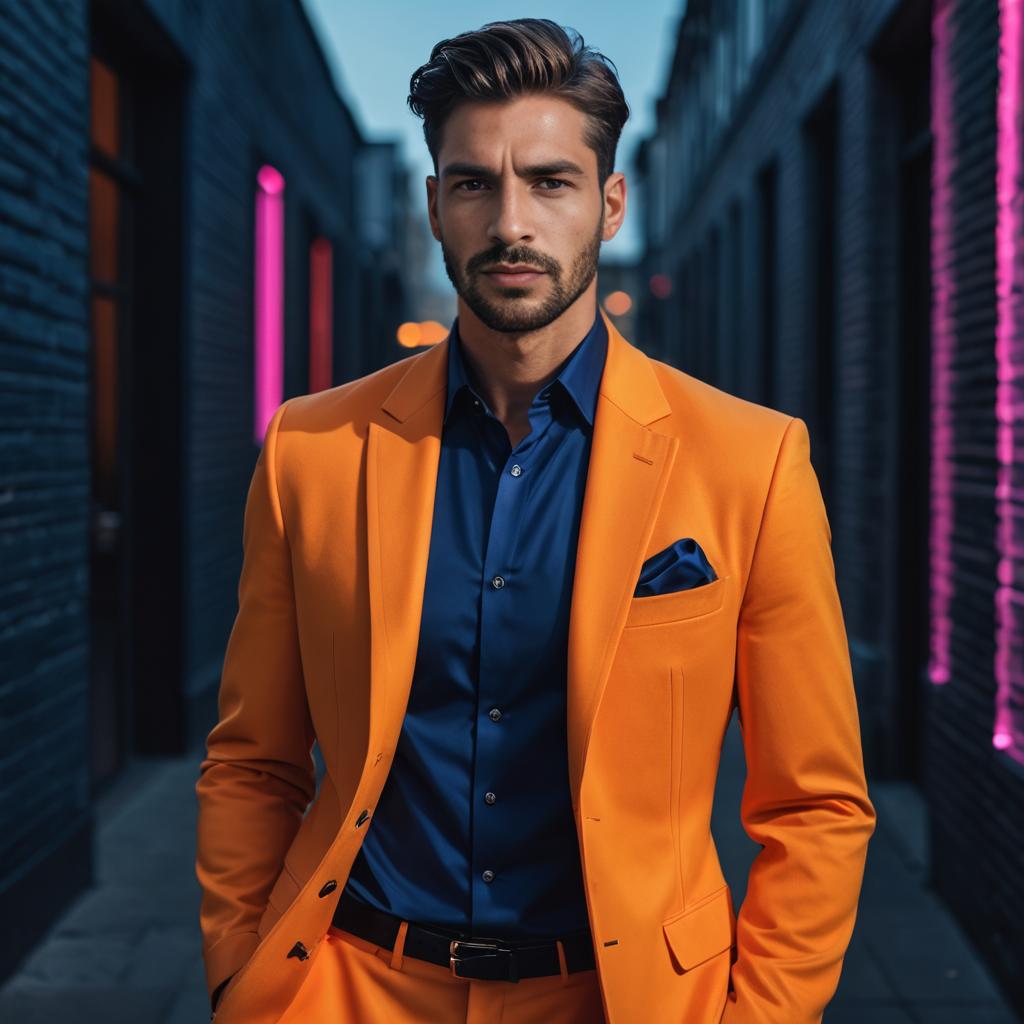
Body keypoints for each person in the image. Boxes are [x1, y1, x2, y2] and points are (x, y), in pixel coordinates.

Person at [196, 17, 876, 1024]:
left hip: (621, 996)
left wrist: (763, 1013)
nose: (510, 221)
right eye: (473, 182)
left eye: (550, 182)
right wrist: (239, 969)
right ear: (434, 206)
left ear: (609, 205)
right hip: (352, 987)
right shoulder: (313, 448)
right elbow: (254, 758)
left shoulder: (750, 460)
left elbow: (814, 804)